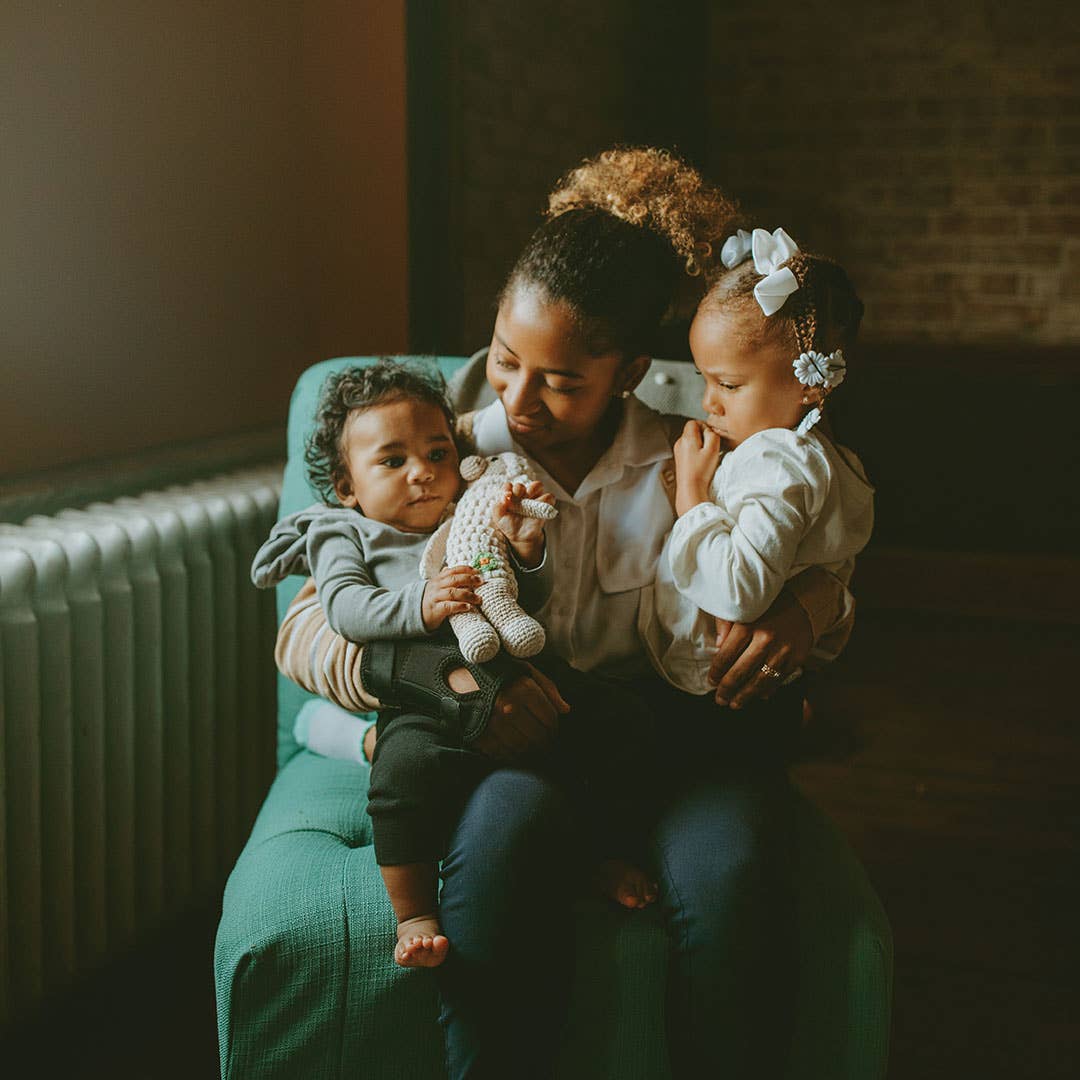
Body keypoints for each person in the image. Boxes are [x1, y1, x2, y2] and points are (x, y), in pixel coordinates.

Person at [273, 148, 856, 1078]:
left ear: (629, 372)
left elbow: (819, 545)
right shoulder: (432, 444)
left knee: (732, 875)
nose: (518, 399)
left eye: (560, 380)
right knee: (503, 845)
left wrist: (812, 609)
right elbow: (305, 628)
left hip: (675, 741)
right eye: (505, 360)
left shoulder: (696, 456)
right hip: (528, 742)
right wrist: (455, 686)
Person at [250, 360, 557, 968]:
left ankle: (599, 856)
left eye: (437, 453)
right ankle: (414, 912)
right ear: (347, 485)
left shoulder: (468, 511)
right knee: (399, 777)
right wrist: (420, 604)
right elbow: (345, 610)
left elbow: (524, 603)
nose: (423, 474)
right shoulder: (343, 532)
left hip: (502, 671)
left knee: (572, 732)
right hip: (418, 703)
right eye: (392, 462)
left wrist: (525, 550)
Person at [640, 226, 874, 696]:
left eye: (728, 385)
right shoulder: (825, 457)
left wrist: (691, 496)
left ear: (812, 384)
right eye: (704, 379)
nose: (709, 402)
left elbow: (738, 592)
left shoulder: (777, 461)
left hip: (719, 684)